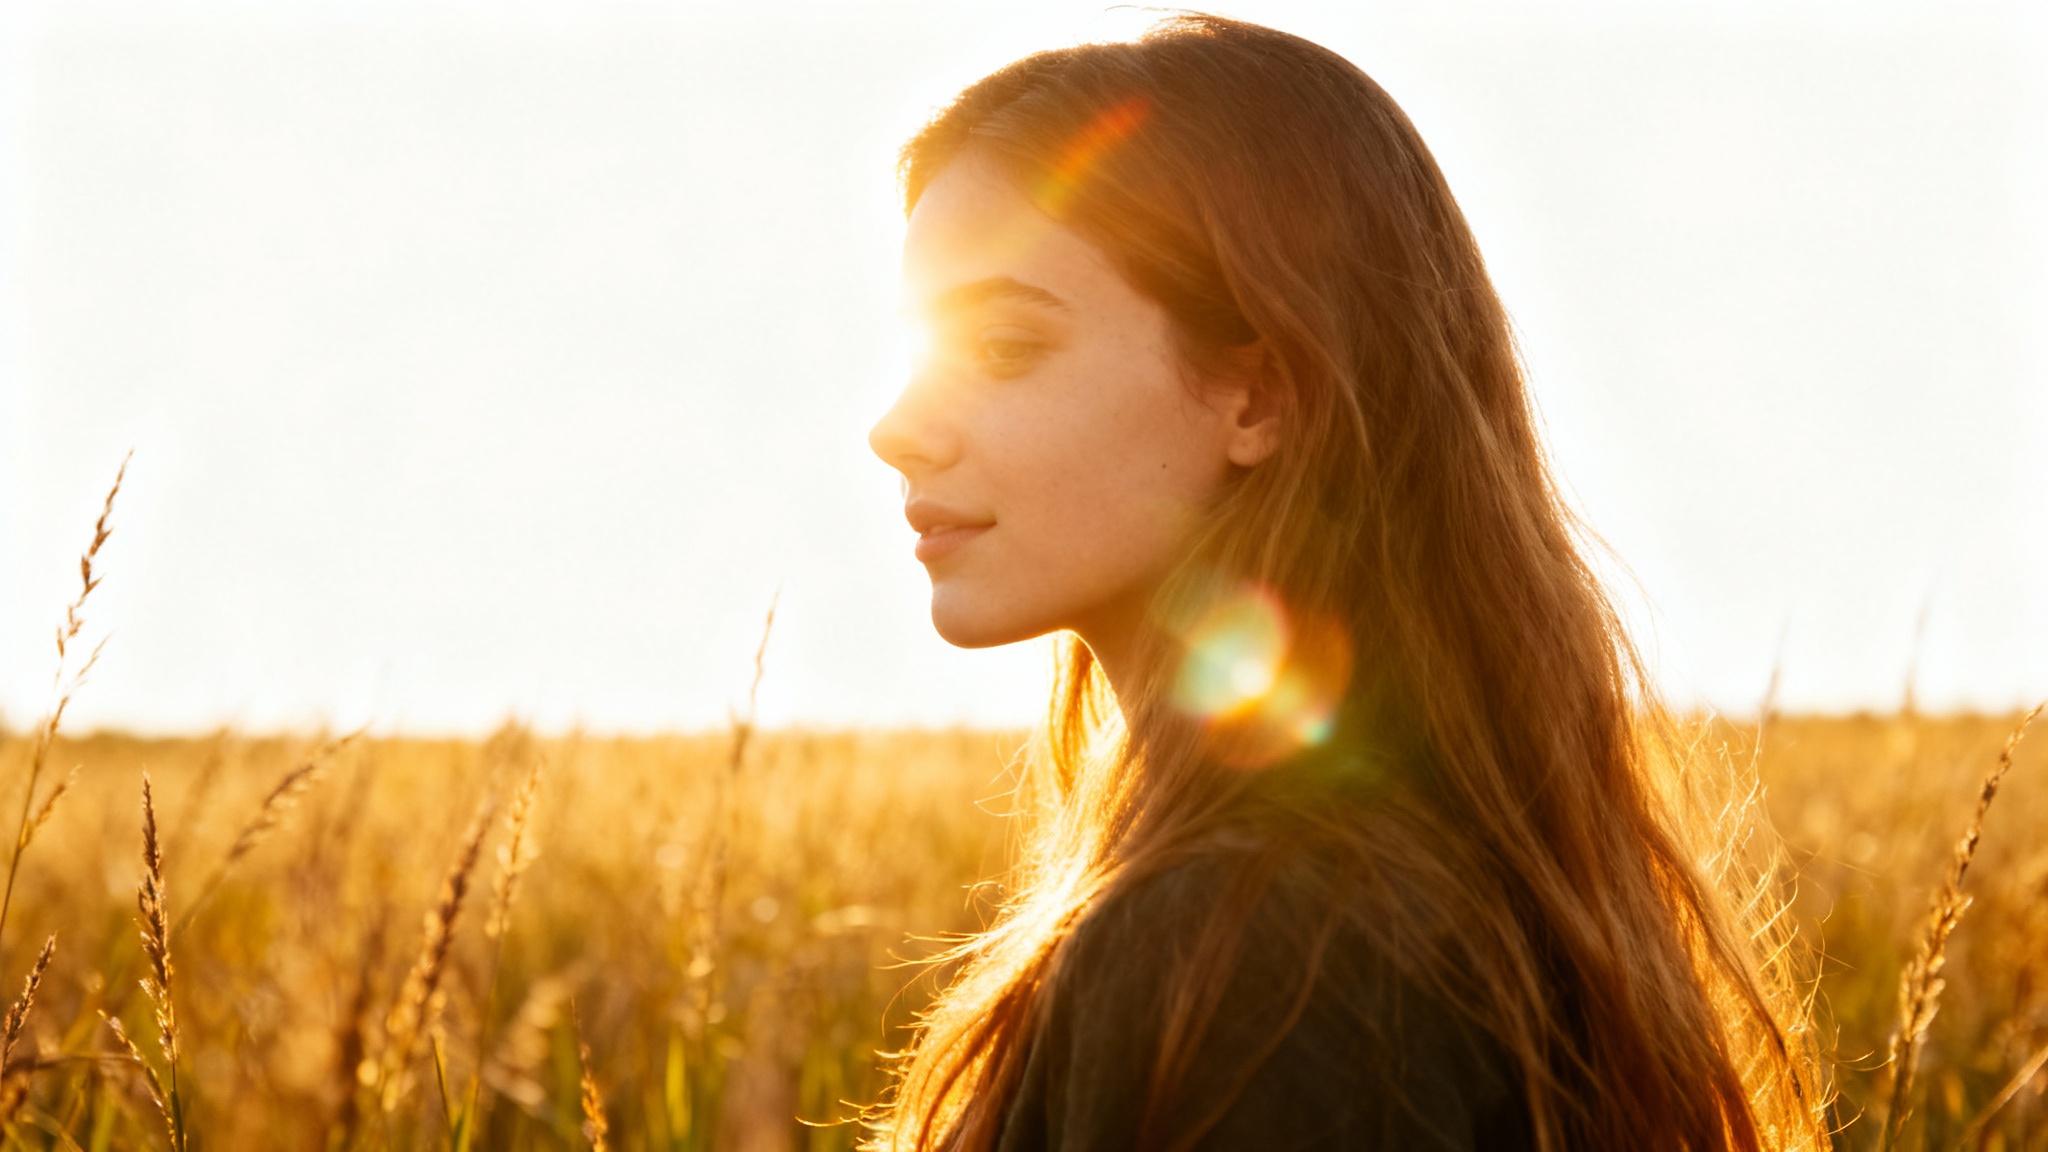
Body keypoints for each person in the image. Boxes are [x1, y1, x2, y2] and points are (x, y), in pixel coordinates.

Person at [866, 16, 1823, 1151]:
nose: (896, 430)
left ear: (1259, 398)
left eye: (1005, 349)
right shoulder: (1399, 889)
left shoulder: (1252, 948)